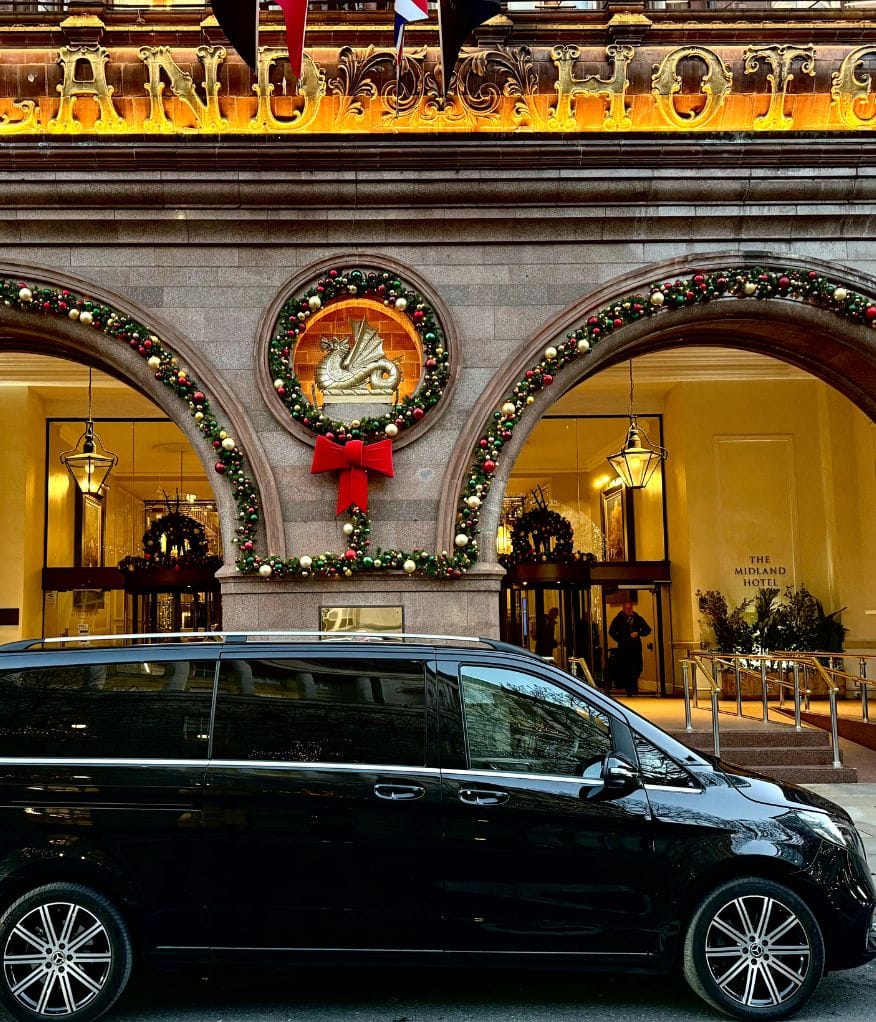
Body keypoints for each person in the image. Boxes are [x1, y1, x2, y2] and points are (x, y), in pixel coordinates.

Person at [608, 600, 651, 696]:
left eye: (630, 608)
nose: (629, 610)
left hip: (636, 648)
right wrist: (622, 638)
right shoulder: (618, 619)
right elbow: (611, 632)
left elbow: (647, 629)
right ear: (623, 609)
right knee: (626, 669)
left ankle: (633, 686)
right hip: (624, 648)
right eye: (627, 608)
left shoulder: (637, 618)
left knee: (638, 667)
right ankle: (630, 689)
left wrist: (638, 633)